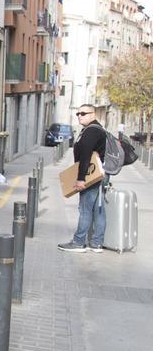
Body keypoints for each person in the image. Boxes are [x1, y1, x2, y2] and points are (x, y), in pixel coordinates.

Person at [58, 105, 108, 253]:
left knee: (85, 209)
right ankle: (97, 243)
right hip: (99, 174)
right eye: (78, 113)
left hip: (90, 176)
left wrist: (81, 179)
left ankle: (79, 242)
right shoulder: (95, 129)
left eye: (84, 113)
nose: (80, 115)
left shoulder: (91, 131)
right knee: (98, 209)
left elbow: (86, 155)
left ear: (93, 115)